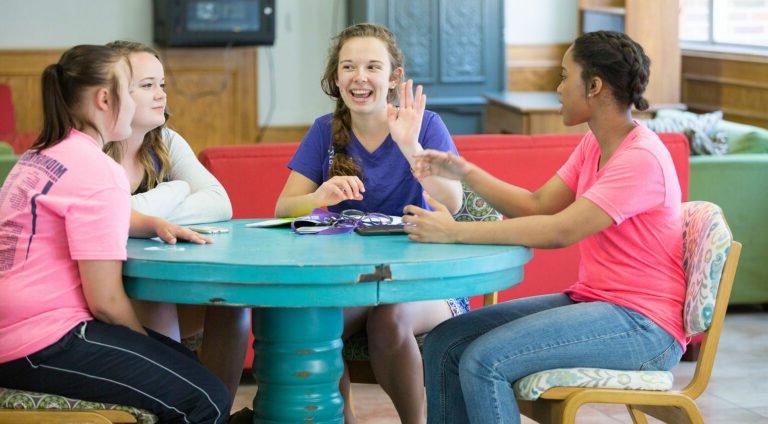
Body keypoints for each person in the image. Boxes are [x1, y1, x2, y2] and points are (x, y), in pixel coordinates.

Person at [405, 31, 686, 424]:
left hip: (644, 326)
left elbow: (558, 231)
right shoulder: (595, 143)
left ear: (594, 86)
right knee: (444, 342)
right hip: (596, 302)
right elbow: (536, 204)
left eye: (563, 76)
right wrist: (465, 171)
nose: (557, 88)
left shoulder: (641, 158)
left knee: (485, 362)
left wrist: (453, 231)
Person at [0, 45, 232, 423]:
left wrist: (148, 222)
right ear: (105, 99)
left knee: (188, 367)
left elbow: (76, 214)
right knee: (204, 397)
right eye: (133, 89)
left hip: (15, 330)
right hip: (42, 341)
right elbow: (106, 301)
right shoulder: (97, 168)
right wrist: (145, 346)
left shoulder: (40, 154)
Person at [274, 23, 463, 423]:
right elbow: (283, 208)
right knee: (314, 319)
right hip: (354, 282)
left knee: (388, 316)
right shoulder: (324, 131)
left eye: (372, 67)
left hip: (426, 282)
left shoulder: (426, 125)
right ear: (336, 77)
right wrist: (318, 197)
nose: (359, 77)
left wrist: (411, 147)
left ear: (393, 77)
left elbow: (454, 201)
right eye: (348, 67)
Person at [103, 40, 247, 400]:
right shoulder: (93, 148)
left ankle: (218, 412)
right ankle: (176, 405)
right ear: (113, 93)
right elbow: (106, 220)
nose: (161, 95)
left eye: (162, 84)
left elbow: (219, 203)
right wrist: (172, 193)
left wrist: (142, 217)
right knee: (156, 296)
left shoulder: (164, 140)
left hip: (148, 276)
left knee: (232, 305)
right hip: (101, 288)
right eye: (147, 85)